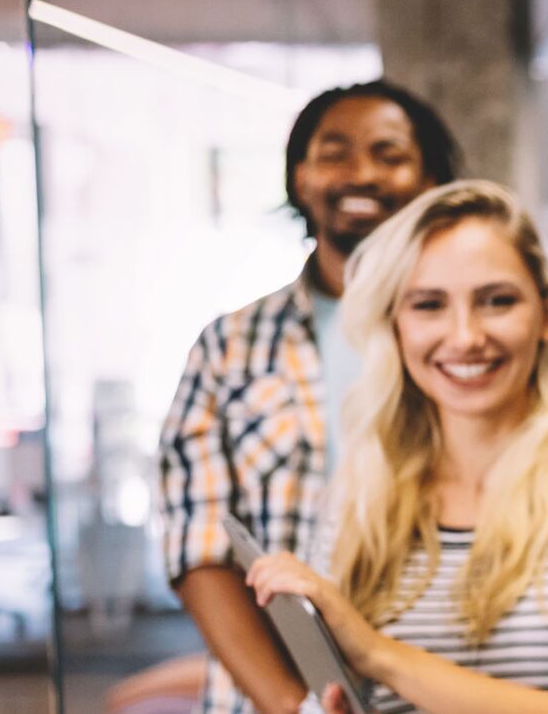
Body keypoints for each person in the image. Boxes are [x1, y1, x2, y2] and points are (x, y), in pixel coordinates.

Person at [244, 179, 548, 713]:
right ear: (395, 324)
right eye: (429, 305)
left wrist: (377, 654)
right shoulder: (361, 495)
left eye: (497, 301)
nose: (464, 337)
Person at [159, 80, 458, 713]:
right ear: (300, 178)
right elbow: (200, 548)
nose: (362, 173)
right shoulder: (230, 347)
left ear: (429, 178)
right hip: (278, 692)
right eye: (334, 153)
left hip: (447, 681)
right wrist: (294, 706)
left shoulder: (469, 344)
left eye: (389, 153)